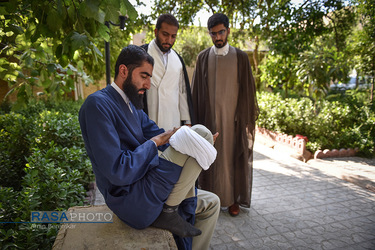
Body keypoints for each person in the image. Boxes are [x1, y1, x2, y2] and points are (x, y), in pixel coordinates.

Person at [79, 45, 220, 250]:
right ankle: (168, 211)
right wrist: (156, 142)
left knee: (213, 202)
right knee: (201, 133)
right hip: (130, 198)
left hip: (148, 181)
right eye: (144, 76)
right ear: (124, 71)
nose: (149, 84)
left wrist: (194, 139)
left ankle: (172, 214)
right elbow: (118, 171)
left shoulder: (132, 106)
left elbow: (163, 135)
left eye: (150, 77)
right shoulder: (97, 105)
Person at [191, 13, 259, 217]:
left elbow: (248, 90)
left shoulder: (241, 57)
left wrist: (245, 119)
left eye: (221, 32)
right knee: (211, 160)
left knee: (232, 159)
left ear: (228, 30)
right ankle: (211, 199)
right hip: (209, 121)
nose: (218, 37)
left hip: (233, 122)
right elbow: (196, 93)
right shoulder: (203, 57)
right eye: (213, 34)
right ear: (209, 34)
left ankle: (232, 200)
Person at [141, 13, 194, 130]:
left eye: (173, 36)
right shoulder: (141, 54)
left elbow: (183, 93)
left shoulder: (178, 60)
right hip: (148, 120)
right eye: (165, 34)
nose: (169, 40)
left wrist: (188, 122)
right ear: (156, 32)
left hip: (173, 121)